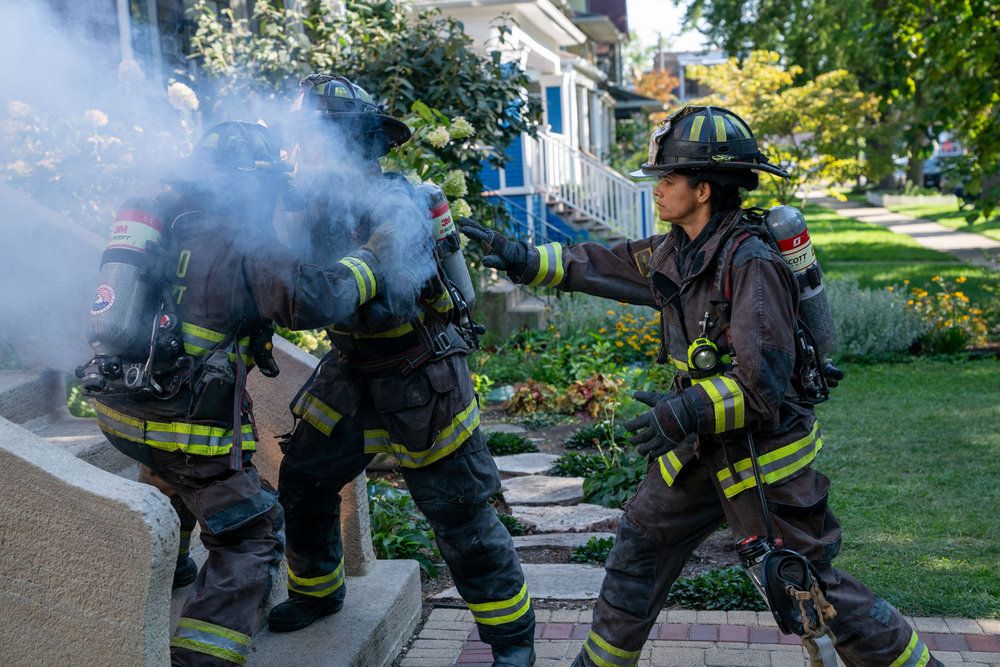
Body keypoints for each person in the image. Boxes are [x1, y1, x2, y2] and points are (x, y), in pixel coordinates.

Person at [461, 106, 940, 667]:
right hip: (696, 454)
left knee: (807, 588)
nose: (658, 190)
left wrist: (681, 410)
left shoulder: (751, 261)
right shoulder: (677, 249)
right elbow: (607, 263)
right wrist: (523, 258)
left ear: (704, 189)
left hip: (760, 461)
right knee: (639, 550)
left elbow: (762, 384)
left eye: (668, 179)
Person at [86, 120, 411, 666]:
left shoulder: (166, 217)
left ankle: (176, 568)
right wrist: (376, 258)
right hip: (183, 422)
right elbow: (320, 297)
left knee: (175, 473)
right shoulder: (245, 245)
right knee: (252, 532)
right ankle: (202, 657)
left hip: (121, 411)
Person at [266, 74, 536, 667]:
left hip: (421, 378)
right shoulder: (306, 207)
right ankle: (317, 592)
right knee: (305, 484)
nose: (301, 153)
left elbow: (395, 288)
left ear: (354, 144)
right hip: (351, 374)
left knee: (458, 515)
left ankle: (512, 641)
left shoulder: (406, 204)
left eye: (312, 141)